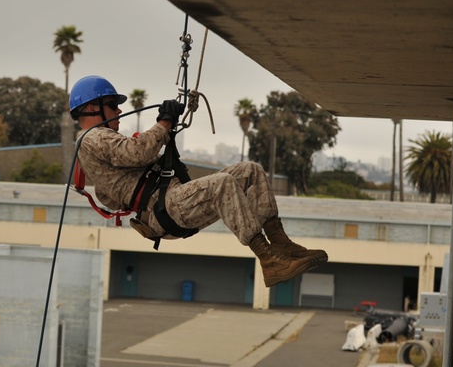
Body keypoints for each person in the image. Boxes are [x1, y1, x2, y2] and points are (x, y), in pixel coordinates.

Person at [69, 75, 327, 288]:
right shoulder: (92, 137)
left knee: (251, 171)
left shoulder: (98, 142)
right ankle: (269, 261)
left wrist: (166, 127)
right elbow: (138, 152)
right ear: (92, 108)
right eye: (112, 104)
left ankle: (280, 243)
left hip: (169, 201)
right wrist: (164, 123)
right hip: (164, 208)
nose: (119, 110)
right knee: (222, 183)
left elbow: (134, 160)